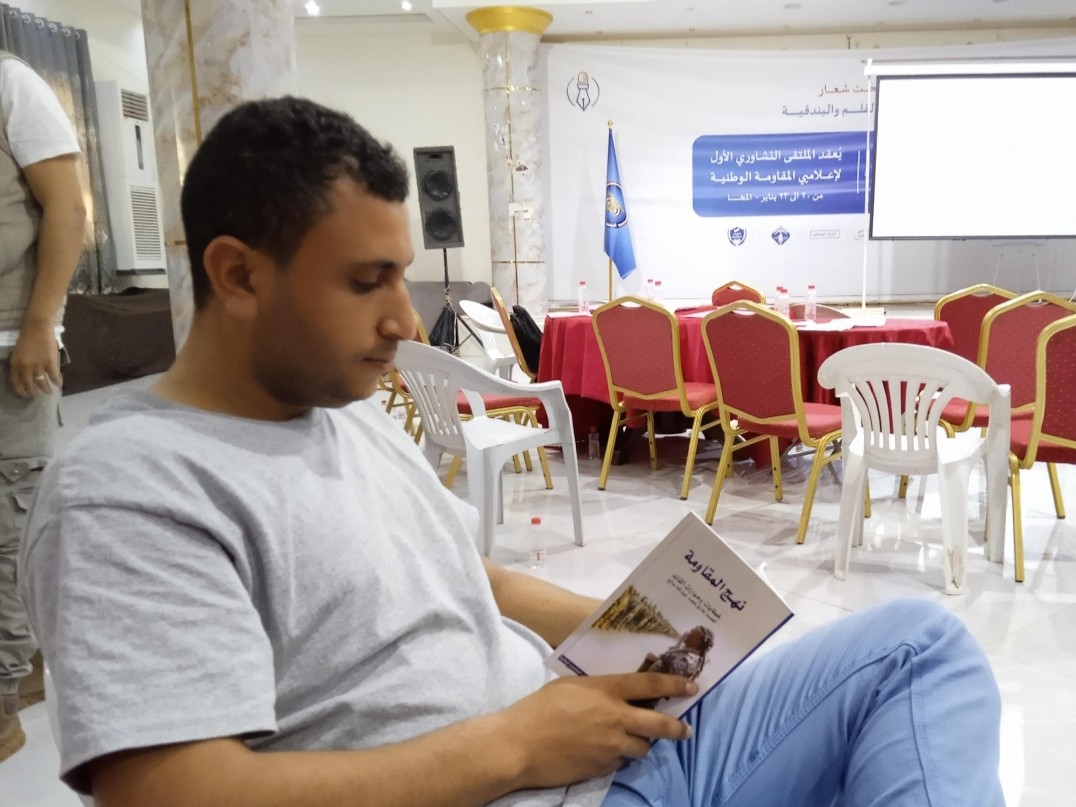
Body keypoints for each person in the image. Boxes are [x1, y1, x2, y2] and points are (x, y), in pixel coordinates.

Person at [19, 97, 1004, 806]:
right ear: (237, 275)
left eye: (402, 276)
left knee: (916, 650)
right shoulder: (132, 488)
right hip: (532, 776)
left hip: (587, 745)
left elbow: (470, 576)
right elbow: (172, 789)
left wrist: (648, 642)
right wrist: (516, 747)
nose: (406, 320)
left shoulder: (342, 409)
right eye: (366, 282)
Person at [0, 51, 85, 764]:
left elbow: (68, 208)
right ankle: (22, 667)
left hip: (8, 349)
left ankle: (1, 705)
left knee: (7, 524)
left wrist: (38, 324)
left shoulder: (11, 83)